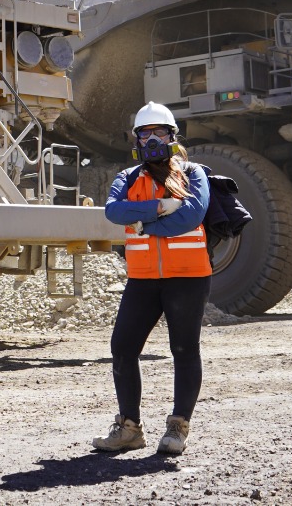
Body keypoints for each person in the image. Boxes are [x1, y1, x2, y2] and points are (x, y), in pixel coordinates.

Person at [91, 102, 212, 457]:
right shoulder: (126, 178)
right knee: (123, 348)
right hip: (142, 278)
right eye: (146, 134)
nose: (153, 139)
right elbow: (113, 211)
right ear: (137, 141)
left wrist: (141, 221)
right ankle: (129, 428)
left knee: (184, 350)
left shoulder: (194, 173)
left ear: (173, 138)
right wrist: (159, 208)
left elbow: (190, 218)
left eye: (160, 133)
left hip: (188, 277)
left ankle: (177, 427)